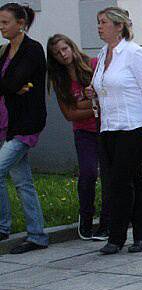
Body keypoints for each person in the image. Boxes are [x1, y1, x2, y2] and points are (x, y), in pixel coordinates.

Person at [88, 7, 142, 255]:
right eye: (98, 22)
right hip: (110, 127)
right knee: (133, 180)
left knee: (119, 181)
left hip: (135, 126)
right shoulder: (103, 54)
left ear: (119, 26)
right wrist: (95, 91)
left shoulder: (134, 53)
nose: (99, 26)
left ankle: (117, 236)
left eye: (104, 22)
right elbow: (106, 85)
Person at [46, 34, 110, 241]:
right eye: (57, 53)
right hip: (83, 132)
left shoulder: (92, 64)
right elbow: (69, 114)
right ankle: (86, 216)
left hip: (105, 128)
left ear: (72, 47)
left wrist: (85, 105)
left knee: (109, 175)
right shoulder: (60, 80)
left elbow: (106, 98)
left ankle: (108, 221)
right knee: (88, 173)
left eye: (65, 49)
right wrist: (93, 106)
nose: (63, 55)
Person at [0, 3, 48, 253]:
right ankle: (37, 234)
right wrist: (11, 85)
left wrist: (12, 85)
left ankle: (2, 226)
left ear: (21, 23)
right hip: (7, 124)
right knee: (22, 181)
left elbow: (13, 82)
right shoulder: (5, 50)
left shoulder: (32, 49)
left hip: (26, 125)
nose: (1, 27)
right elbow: (10, 85)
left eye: (6, 22)